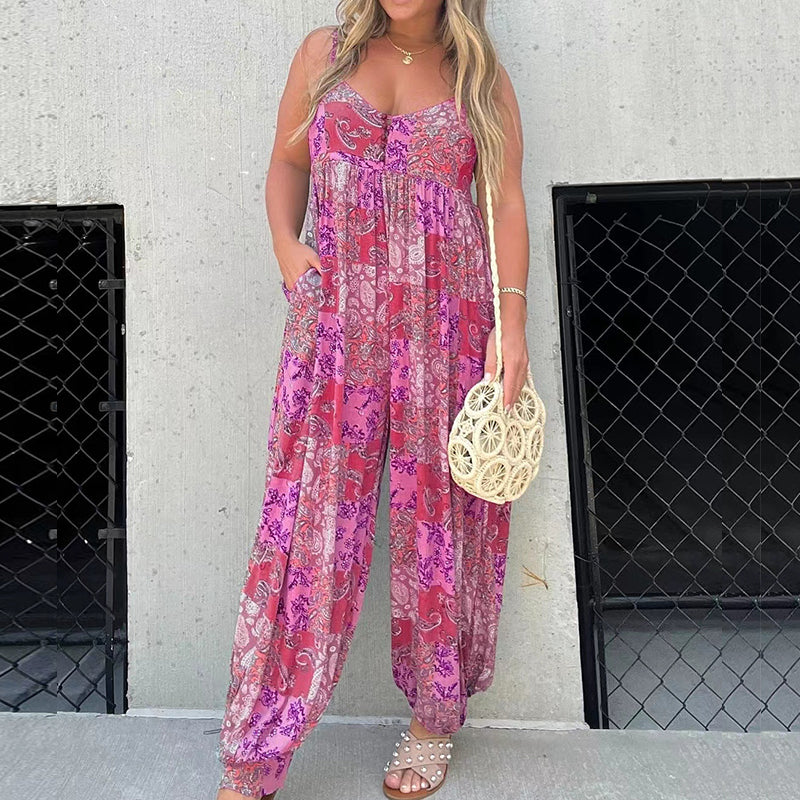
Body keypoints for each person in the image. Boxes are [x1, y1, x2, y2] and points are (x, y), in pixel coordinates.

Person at [215, 1, 530, 798]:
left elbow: (504, 202)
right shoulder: (323, 54)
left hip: (445, 321)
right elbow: (288, 164)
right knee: (309, 528)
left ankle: (433, 720)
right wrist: (288, 250)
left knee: (439, 524)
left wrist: (514, 326)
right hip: (335, 323)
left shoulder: (479, 77)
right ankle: (258, 749)